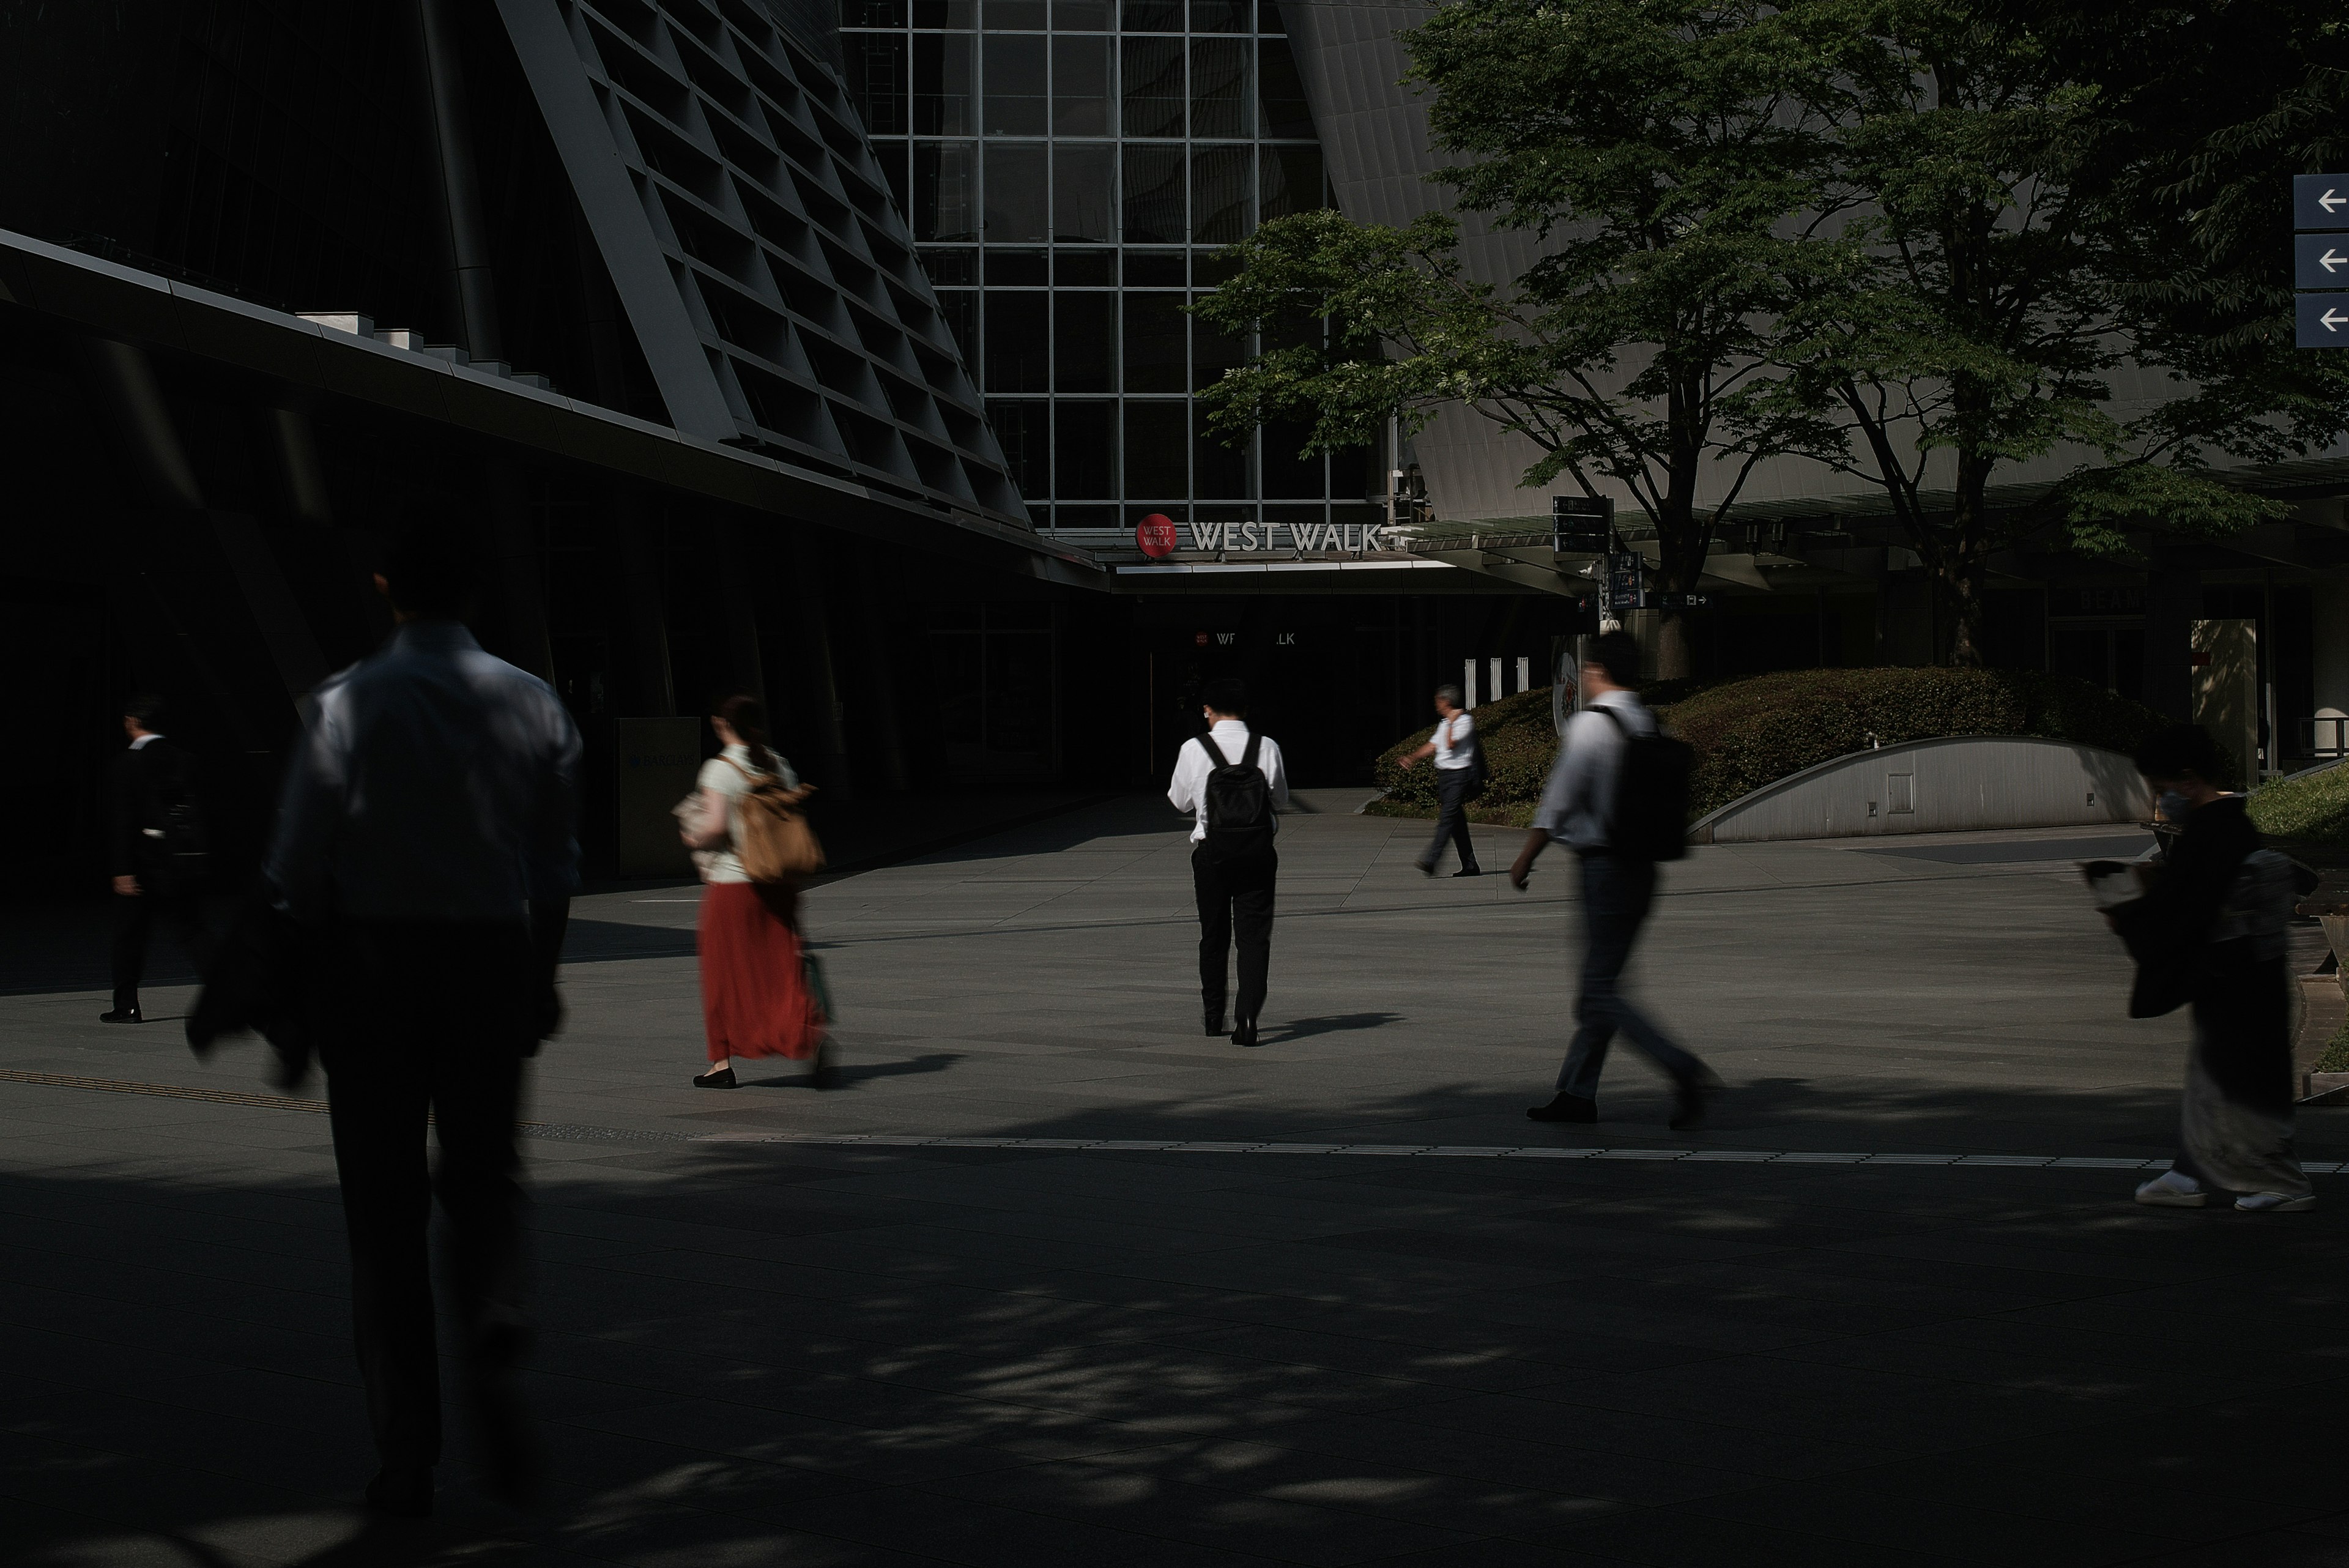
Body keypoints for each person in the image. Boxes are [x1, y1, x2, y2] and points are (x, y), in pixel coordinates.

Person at [265, 522, 582, 1517]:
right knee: (487, 1171)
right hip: (489, 951)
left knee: (384, 1216)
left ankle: (408, 1455)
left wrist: (294, 991)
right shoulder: (533, 698)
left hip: (374, 963)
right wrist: (540, 975)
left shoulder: (344, 699)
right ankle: (496, 1303)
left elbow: (296, 867)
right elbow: (553, 865)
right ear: (477, 590)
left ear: (383, 584)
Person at [1510, 630, 1715, 1129]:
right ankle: (1577, 1094)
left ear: (1598, 672)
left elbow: (1558, 802)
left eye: (1586, 670)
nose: (1582, 678)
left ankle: (1681, 1067)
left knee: (1599, 992)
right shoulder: (1645, 719)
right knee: (1601, 987)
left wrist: (1525, 858)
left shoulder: (1591, 727)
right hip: (1644, 868)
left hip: (1605, 870)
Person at [2112, 724, 2310, 1213]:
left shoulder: (2213, 832)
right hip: (2244, 973)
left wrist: (2128, 901)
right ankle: (2188, 1171)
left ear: (2187, 778)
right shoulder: (2226, 824)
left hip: (2237, 976)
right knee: (2215, 1078)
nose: (2160, 801)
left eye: (2161, 789)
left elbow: (2186, 912)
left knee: (2241, 1081)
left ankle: (2284, 1183)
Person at [685, 693, 830, 1089]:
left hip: (735, 885)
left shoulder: (720, 769)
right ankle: (806, 1031)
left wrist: (692, 834)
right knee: (782, 967)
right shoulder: (777, 763)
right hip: (779, 883)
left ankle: (721, 1063)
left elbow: (714, 827)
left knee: (722, 973)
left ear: (721, 724)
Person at [1168, 677, 1288, 1047]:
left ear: (1208, 710)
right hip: (1256, 853)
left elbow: (1179, 803)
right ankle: (1248, 1019)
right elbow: (1280, 800)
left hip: (1211, 853)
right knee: (1253, 938)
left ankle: (1212, 1017)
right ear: (1246, 710)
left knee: (1214, 934)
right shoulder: (1265, 747)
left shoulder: (1194, 748)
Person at [105, 694, 211, 1022]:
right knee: (193, 932)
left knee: (130, 936)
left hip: (141, 864)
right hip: (180, 861)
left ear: (132, 722)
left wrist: (122, 869)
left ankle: (127, 1005)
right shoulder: (185, 759)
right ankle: (231, 992)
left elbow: (123, 820)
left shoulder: (127, 763)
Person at [1400, 684, 1483, 877]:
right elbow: (1434, 745)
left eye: (1438, 700)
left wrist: (1453, 722)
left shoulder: (1464, 721)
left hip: (1459, 777)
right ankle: (1470, 865)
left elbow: (1451, 743)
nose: (1436, 704)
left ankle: (1431, 860)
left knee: (1447, 819)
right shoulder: (1446, 723)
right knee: (1456, 823)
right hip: (1445, 777)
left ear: (1446, 701)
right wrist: (1412, 757)